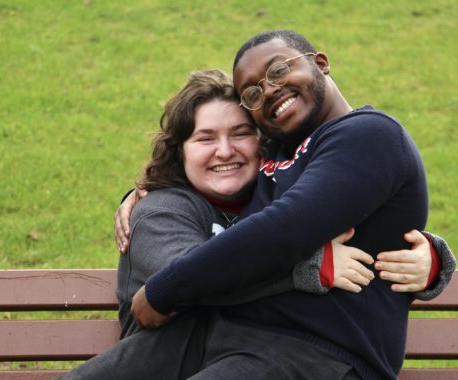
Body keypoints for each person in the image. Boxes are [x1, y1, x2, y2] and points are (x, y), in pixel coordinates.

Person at [128, 30, 456, 379]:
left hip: (319, 353)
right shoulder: (273, 154)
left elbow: (283, 229)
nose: (269, 90)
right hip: (231, 341)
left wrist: (165, 291)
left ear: (321, 63)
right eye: (252, 93)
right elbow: (206, 174)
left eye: (279, 70)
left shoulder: (369, 135)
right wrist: (138, 194)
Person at [61, 69, 382, 380]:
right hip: (169, 364)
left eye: (241, 133)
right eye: (205, 138)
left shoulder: (280, 202)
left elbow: (369, 220)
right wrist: (309, 269)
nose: (225, 151)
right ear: (179, 151)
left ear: (263, 143)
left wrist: (430, 257)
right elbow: (195, 280)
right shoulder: (158, 212)